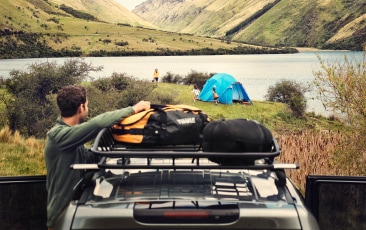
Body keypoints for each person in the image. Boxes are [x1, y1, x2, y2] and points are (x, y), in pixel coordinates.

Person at [44, 85, 150, 230]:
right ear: (81, 108)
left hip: (75, 210)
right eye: (87, 105)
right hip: (61, 216)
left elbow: (90, 157)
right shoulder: (59, 136)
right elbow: (98, 124)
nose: (87, 108)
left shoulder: (68, 138)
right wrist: (133, 109)